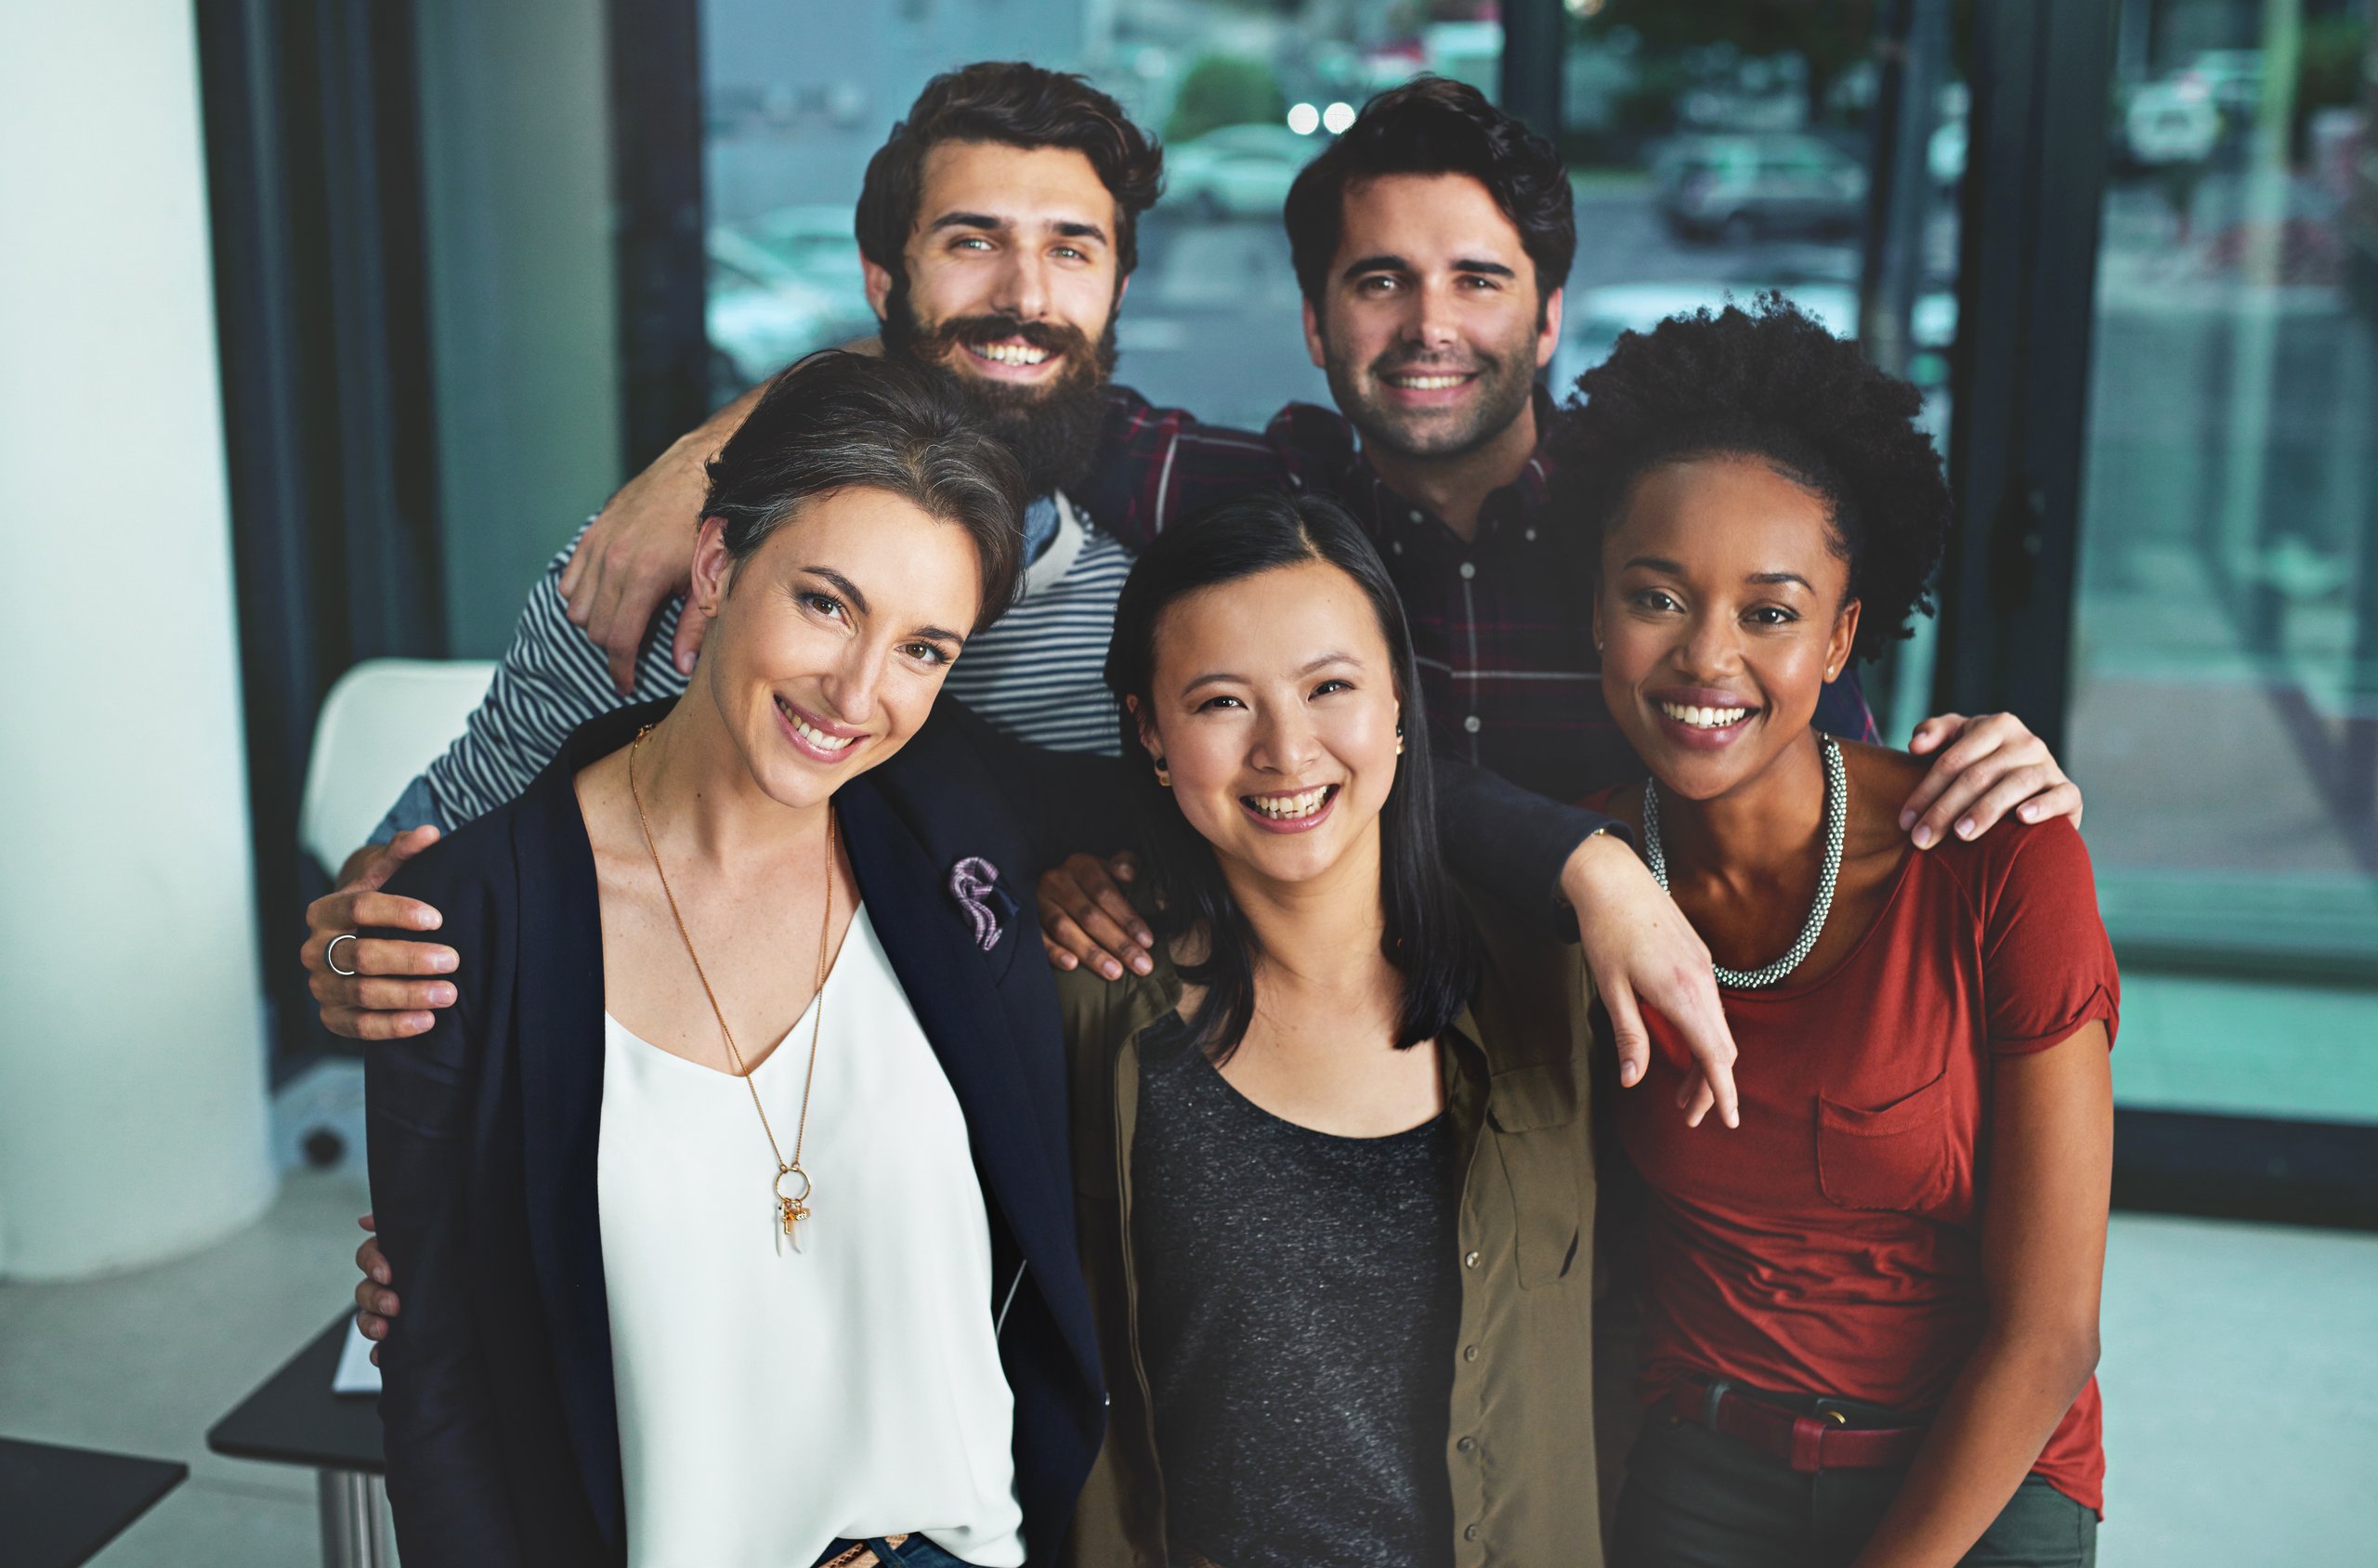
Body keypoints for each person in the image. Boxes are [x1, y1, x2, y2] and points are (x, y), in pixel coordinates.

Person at [314, 66, 2077, 1140]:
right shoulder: (1232, 507)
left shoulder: (1646, 547)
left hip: (1615, 1099)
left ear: (1549, 313)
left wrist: (1966, 772)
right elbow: (416, 866)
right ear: (1312, 320)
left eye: (1478, 280)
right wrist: (713, 459)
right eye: (1378, 281)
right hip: (1191, 1104)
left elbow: (1802, 748)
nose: (1430, 323)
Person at [359, 351, 1104, 1568]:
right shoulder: (469, 925)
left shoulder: (952, 822)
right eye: (827, 603)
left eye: (925, 648)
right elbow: (439, 1380)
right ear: (715, 565)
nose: (858, 691)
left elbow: (1229, 799)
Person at [1553, 299, 2116, 1567]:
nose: (1706, 658)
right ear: (1598, 611)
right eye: (1656, 597)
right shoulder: (1580, 874)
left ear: (1842, 636)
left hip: (1982, 1473)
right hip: (1704, 1461)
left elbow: (2049, 1335)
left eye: (1769, 612)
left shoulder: (1996, 856)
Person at [1057, 492, 1604, 1567]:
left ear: (1398, 700)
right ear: (1150, 732)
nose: (1285, 747)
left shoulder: (1555, 981)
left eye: (1329, 687)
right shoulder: (1086, 1004)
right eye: (1221, 701)